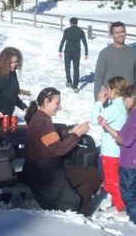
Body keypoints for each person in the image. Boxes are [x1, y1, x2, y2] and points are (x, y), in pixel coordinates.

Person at [22, 87, 100, 216]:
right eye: (57, 103)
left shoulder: (40, 118)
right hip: (44, 174)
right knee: (91, 177)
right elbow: (58, 149)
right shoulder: (42, 122)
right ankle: (76, 213)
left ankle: (79, 213)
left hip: (43, 169)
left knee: (92, 174)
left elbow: (49, 139)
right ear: (46, 101)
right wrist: (77, 134)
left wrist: (70, 132)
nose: (59, 107)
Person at [98, 84, 136, 229]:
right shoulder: (134, 115)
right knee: (129, 191)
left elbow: (125, 140)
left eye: (126, 98)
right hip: (128, 161)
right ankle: (135, 215)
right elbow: (121, 135)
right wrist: (106, 125)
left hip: (133, 163)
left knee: (129, 193)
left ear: (132, 98)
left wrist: (119, 140)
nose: (124, 101)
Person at [91, 76, 128, 212]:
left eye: (108, 88)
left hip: (111, 152)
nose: (107, 91)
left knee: (111, 182)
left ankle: (121, 206)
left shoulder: (114, 108)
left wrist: (99, 102)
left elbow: (95, 121)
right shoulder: (122, 105)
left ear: (114, 90)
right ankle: (118, 201)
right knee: (117, 179)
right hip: (119, 151)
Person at [93, 21, 136, 101]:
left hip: (129, 99)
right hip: (110, 100)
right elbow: (98, 78)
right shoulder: (105, 53)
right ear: (112, 35)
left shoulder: (132, 52)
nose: (120, 35)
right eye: (117, 32)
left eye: (122, 31)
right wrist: (97, 100)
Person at [0, 47, 27, 118]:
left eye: (16, 62)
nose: (14, 65)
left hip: (7, 115)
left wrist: (23, 106)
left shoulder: (13, 74)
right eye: (11, 62)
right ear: (4, 62)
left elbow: (12, 96)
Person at [58, 17, 88, 92]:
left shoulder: (67, 30)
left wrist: (60, 51)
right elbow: (85, 43)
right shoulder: (80, 31)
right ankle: (75, 86)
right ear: (77, 23)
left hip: (67, 52)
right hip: (76, 53)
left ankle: (69, 81)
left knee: (67, 67)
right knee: (76, 69)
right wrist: (86, 53)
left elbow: (63, 41)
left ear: (70, 23)